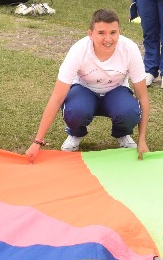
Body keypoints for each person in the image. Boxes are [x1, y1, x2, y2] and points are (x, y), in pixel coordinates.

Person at [24, 9, 149, 159]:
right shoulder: (78, 50)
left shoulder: (130, 49)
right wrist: (38, 141)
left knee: (129, 111)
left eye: (113, 33)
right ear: (90, 34)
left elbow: (142, 97)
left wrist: (142, 140)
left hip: (116, 91)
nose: (108, 39)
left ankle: (122, 134)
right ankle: (75, 134)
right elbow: (57, 97)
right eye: (101, 33)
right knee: (75, 111)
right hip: (84, 90)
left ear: (119, 33)